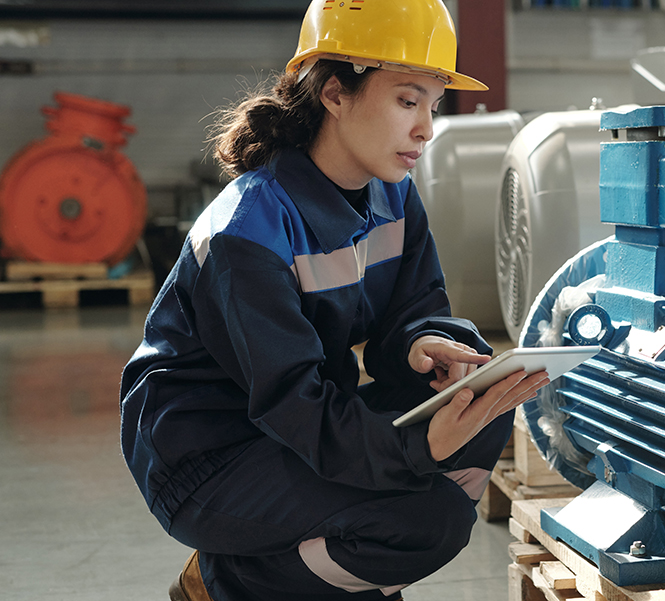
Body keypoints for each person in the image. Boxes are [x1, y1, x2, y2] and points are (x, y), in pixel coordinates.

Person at [119, 1, 548, 599]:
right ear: (335, 93)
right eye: (407, 100)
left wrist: (423, 344)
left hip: (307, 419)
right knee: (429, 524)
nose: (426, 127)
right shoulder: (247, 232)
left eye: (432, 104)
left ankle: (343, 566)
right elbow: (292, 403)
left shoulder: (393, 197)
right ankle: (227, 579)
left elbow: (412, 312)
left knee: (480, 388)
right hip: (209, 458)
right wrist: (416, 448)